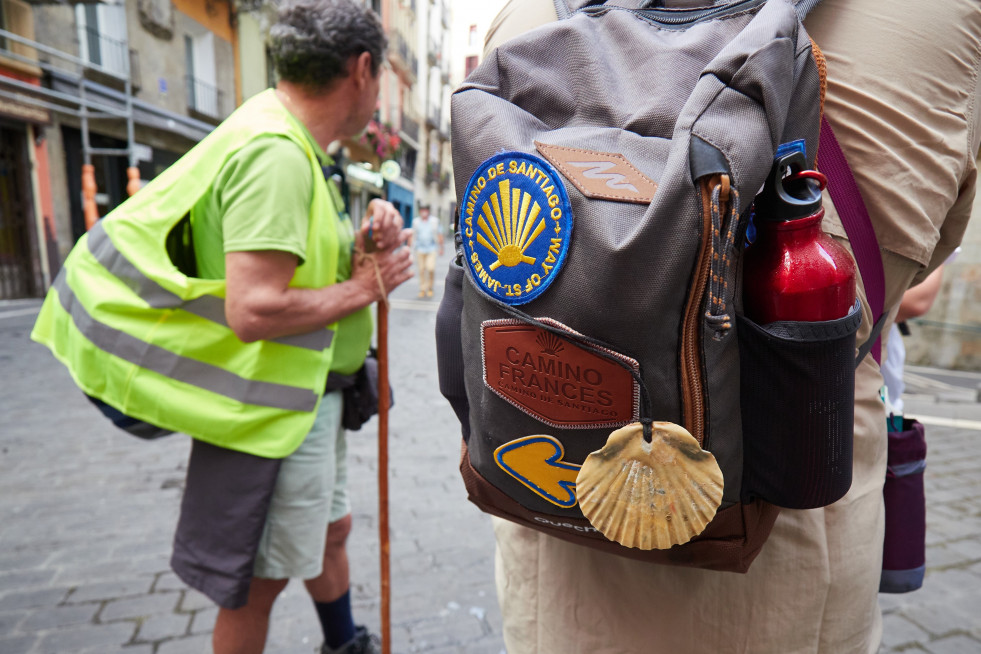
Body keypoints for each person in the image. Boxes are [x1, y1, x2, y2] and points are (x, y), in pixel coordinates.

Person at [475, 1, 981, 653]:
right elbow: (919, 270)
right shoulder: (940, 15)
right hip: (785, 561)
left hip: (547, 526)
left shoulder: (525, 14)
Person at [31, 2, 412, 653]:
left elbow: (295, 271)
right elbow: (254, 308)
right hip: (273, 413)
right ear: (363, 69)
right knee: (257, 584)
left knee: (331, 532)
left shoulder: (290, 142)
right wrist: (364, 287)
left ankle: (345, 643)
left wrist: (360, 250)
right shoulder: (277, 155)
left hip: (305, 399)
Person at [409, 204, 443, 298]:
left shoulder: (434, 221)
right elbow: (413, 235)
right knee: (421, 269)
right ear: (420, 212)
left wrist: (441, 247)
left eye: (425, 210)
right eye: (422, 210)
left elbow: (439, 234)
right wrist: (410, 248)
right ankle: (423, 289)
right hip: (420, 249)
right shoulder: (416, 222)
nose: (424, 212)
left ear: (428, 211)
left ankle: (430, 288)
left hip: (431, 248)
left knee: (430, 268)